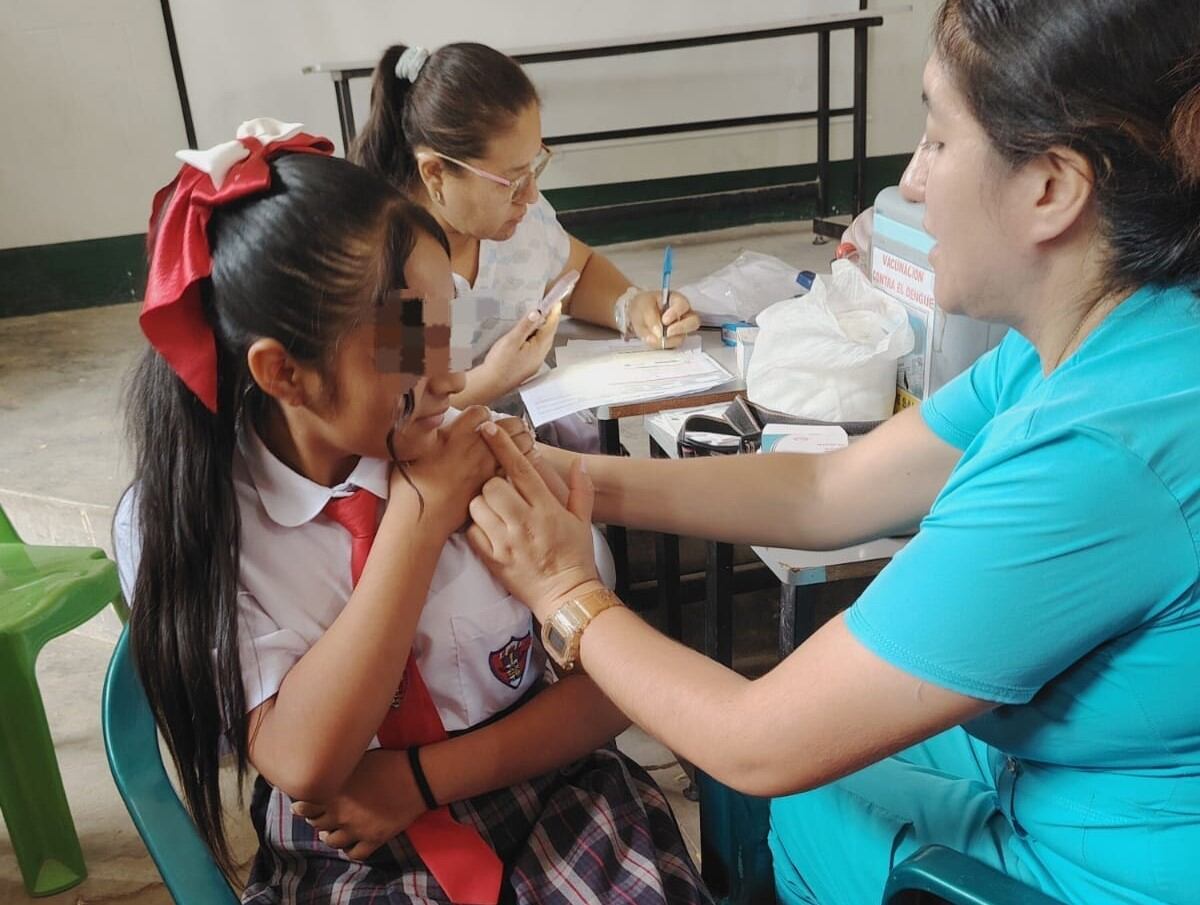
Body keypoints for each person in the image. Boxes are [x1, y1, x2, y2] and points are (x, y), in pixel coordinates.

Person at [461, 2, 1200, 903]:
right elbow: (826, 487)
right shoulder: (1105, 338)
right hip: (1070, 783)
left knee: (772, 764)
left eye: (935, 139)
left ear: (1052, 187)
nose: (912, 182)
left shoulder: (1099, 447)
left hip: (1095, 868)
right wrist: (568, 477)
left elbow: (758, 739)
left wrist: (566, 593)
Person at [114, 119, 710, 904]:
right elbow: (303, 761)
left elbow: (608, 688)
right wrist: (419, 521)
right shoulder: (191, 519)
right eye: (406, 343)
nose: (450, 376)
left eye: (446, 326)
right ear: (284, 372)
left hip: (545, 796)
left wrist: (421, 780)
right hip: (351, 849)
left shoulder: (485, 460)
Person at [349, 42, 702, 446]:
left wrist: (632, 305)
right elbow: (398, 416)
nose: (531, 195)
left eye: (535, 165)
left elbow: (578, 271)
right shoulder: (396, 264)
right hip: (434, 457)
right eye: (513, 179)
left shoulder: (515, 222)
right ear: (434, 173)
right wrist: (493, 379)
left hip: (531, 430)